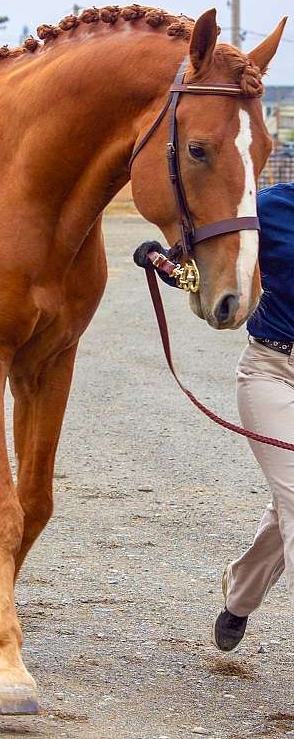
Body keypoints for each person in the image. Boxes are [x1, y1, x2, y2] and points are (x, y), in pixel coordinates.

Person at [134, 181, 294, 651]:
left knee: (287, 503)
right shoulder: (270, 208)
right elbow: (214, 269)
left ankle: (240, 597)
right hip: (273, 374)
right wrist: (169, 267)